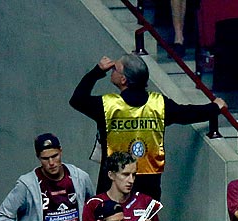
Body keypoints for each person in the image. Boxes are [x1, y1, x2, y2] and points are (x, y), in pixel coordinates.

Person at [70, 54, 227, 197]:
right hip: (149, 191)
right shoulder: (158, 104)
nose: (111, 70)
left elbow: (77, 99)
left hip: (112, 190)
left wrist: (97, 71)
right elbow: (186, 113)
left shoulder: (106, 106)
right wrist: (214, 107)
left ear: (123, 79)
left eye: (115, 69)